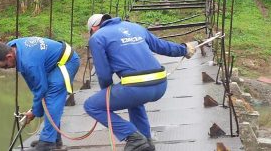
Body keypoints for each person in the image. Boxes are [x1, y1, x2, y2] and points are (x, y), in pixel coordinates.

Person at [84, 14, 196, 151]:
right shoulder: (135, 27)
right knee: (133, 100)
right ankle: (146, 142)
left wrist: (106, 93)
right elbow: (162, 46)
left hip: (137, 88)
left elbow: (103, 73)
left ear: (94, 28)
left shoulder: (98, 37)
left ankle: (133, 137)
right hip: (161, 84)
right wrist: (184, 49)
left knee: (91, 105)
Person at [0, 37, 80, 151]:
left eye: (6, 66)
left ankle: (47, 142)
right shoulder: (12, 47)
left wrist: (34, 112)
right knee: (48, 99)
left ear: (9, 56)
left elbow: (40, 89)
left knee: (51, 96)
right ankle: (55, 140)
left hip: (67, 62)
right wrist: (34, 110)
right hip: (54, 61)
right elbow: (34, 83)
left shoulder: (29, 62)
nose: (8, 69)